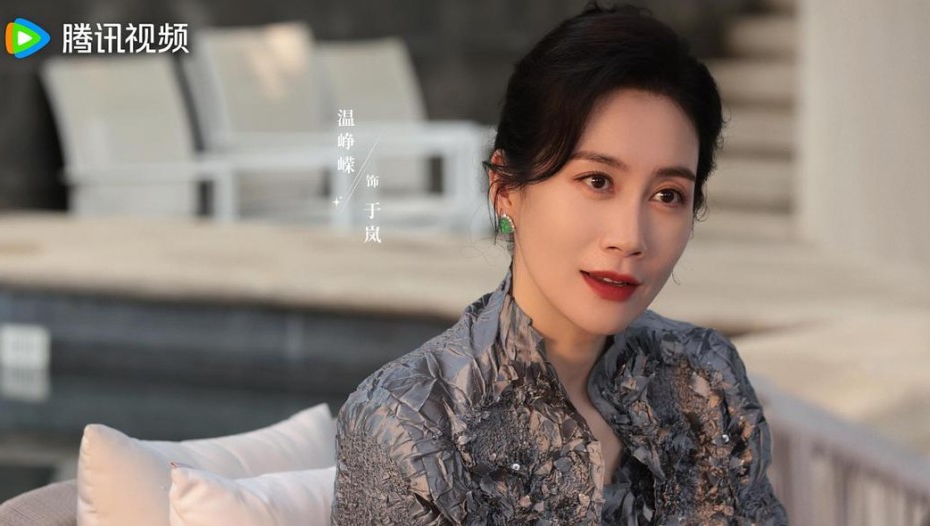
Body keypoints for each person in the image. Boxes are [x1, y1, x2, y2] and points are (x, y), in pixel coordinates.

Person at [332, 2, 787, 524]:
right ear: (506, 189)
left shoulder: (705, 379)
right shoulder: (409, 424)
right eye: (597, 181)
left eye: (667, 195)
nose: (630, 238)